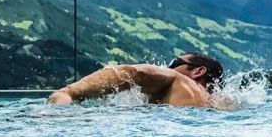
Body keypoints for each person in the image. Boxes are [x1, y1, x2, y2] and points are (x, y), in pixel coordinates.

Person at [47, 52, 224, 107]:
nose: (170, 67)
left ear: (199, 71)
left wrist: (70, 91)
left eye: (175, 62)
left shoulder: (179, 80)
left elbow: (134, 72)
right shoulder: (218, 104)